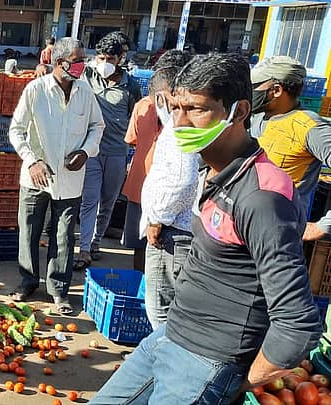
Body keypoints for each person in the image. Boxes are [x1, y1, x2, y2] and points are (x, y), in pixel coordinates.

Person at [93, 52, 323, 404]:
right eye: (176, 108)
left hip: (206, 361)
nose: (181, 123)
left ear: (239, 112)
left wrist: (240, 380)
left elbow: (298, 323)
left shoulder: (263, 197)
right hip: (169, 336)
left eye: (197, 110)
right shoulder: (211, 170)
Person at [8, 37, 104, 314]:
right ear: (59, 63)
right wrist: (32, 161)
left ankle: (59, 291)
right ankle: (28, 281)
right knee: (29, 231)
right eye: (77, 62)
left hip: (71, 178)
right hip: (36, 176)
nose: (82, 67)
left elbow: (97, 126)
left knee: (63, 236)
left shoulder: (85, 92)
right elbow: (16, 130)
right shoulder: (36, 90)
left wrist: (86, 152)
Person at [135, 51, 197, 328]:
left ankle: (161, 365)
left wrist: (158, 218)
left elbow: (183, 180)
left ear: (164, 95)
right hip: (181, 230)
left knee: (160, 309)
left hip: (171, 235)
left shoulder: (178, 129)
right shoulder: (189, 126)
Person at [75, 33, 140, 270]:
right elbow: (65, 70)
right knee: (89, 199)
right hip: (90, 150)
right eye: (100, 57)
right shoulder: (87, 75)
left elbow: (135, 118)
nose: (104, 63)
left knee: (108, 201)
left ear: (121, 58)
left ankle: (95, 242)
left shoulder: (130, 86)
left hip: (116, 151)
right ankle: (83, 249)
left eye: (110, 58)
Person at [248, 56, 331, 241]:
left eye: (255, 87)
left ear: (276, 90)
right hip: (245, 227)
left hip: (277, 237)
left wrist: (323, 226)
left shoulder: (310, 128)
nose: (250, 92)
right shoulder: (256, 118)